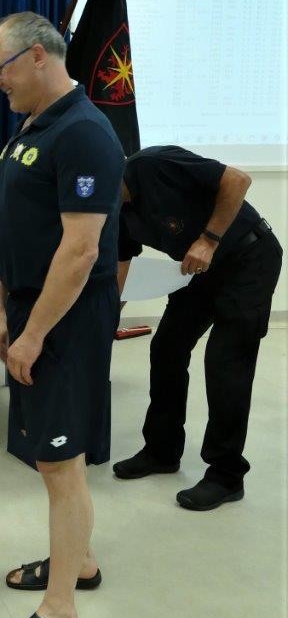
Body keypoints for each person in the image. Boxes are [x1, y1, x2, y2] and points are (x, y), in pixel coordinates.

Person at [0, 12, 124, 618]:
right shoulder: (34, 127)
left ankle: (61, 612)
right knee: (50, 456)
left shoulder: (85, 133)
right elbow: (9, 222)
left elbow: (81, 249)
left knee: (62, 462)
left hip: (65, 321)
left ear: (37, 56)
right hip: (30, 311)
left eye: (1, 70)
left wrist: (34, 333)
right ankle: (80, 560)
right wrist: (0, 311)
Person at [113, 145, 282, 510]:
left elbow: (238, 180)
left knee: (225, 362)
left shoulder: (154, 164)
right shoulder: (114, 211)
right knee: (167, 348)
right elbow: (121, 267)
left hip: (249, 258)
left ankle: (226, 475)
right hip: (200, 271)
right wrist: (110, 316)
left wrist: (208, 239)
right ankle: (162, 451)